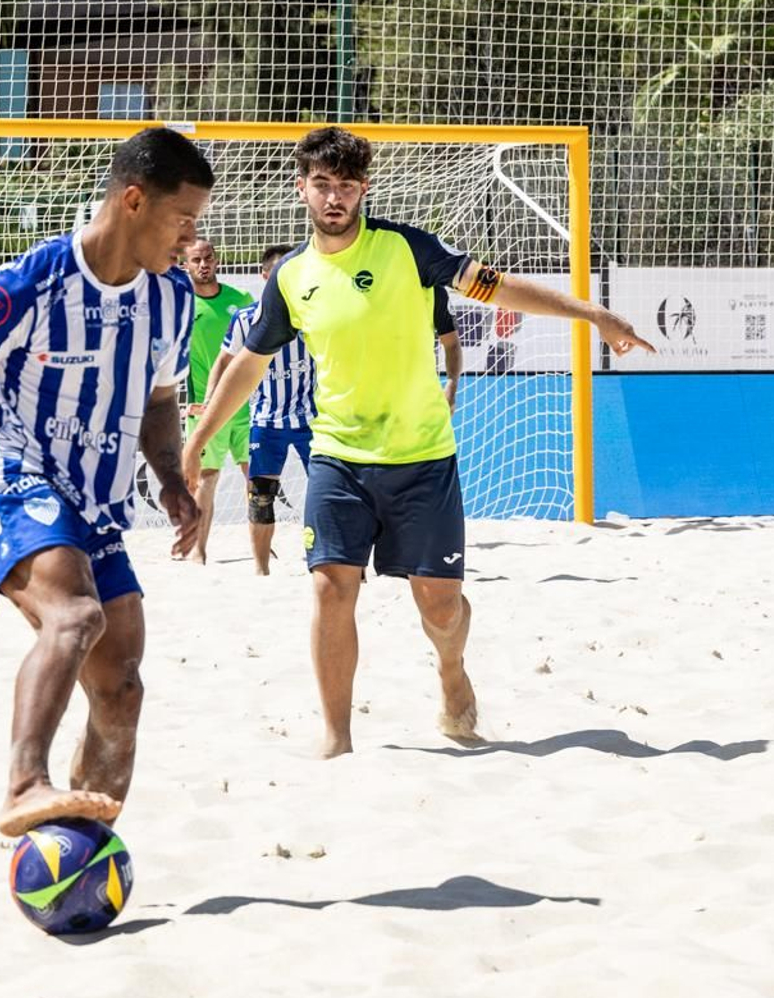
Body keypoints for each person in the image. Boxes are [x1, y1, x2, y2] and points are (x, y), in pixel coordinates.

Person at [183, 126, 654, 757]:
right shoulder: (292, 277)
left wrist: (591, 312)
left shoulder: (408, 249)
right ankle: (337, 737)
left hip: (422, 459)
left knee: (439, 609)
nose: (334, 198)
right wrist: (198, 438)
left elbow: (497, 284)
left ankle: (452, 672)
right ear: (302, 190)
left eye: (346, 186)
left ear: (363, 190)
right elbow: (248, 362)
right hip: (339, 459)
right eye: (321, 185)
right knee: (329, 585)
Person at [0, 127, 211, 835]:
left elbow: (160, 398)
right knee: (76, 618)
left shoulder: (172, 298)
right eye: (184, 220)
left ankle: (79, 846)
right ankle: (24, 785)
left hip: (98, 504)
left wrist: (171, 480)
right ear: (135, 201)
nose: (190, 239)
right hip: (9, 475)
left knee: (122, 690)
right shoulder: (30, 281)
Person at [204, 244, 313, 574]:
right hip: (266, 421)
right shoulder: (245, 319)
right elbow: (224, 361)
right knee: (260, 496)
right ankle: (261, 570)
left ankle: (327, 562)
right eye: (279, 272)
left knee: (329, 494)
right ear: (265, 276)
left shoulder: (314, 314)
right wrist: (210, 401)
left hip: (315, 419)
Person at [179, 237, 253, 564]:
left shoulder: (242, 300)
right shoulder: (181, 307)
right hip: (206, 409)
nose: (204, 264)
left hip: (246, 406)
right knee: (207, 478)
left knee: (258, 477)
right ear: (185, 266)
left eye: (208, 257)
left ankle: (261, 544)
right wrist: (183, 402)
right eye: (196, 260)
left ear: (217, 260)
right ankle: (198, 549)